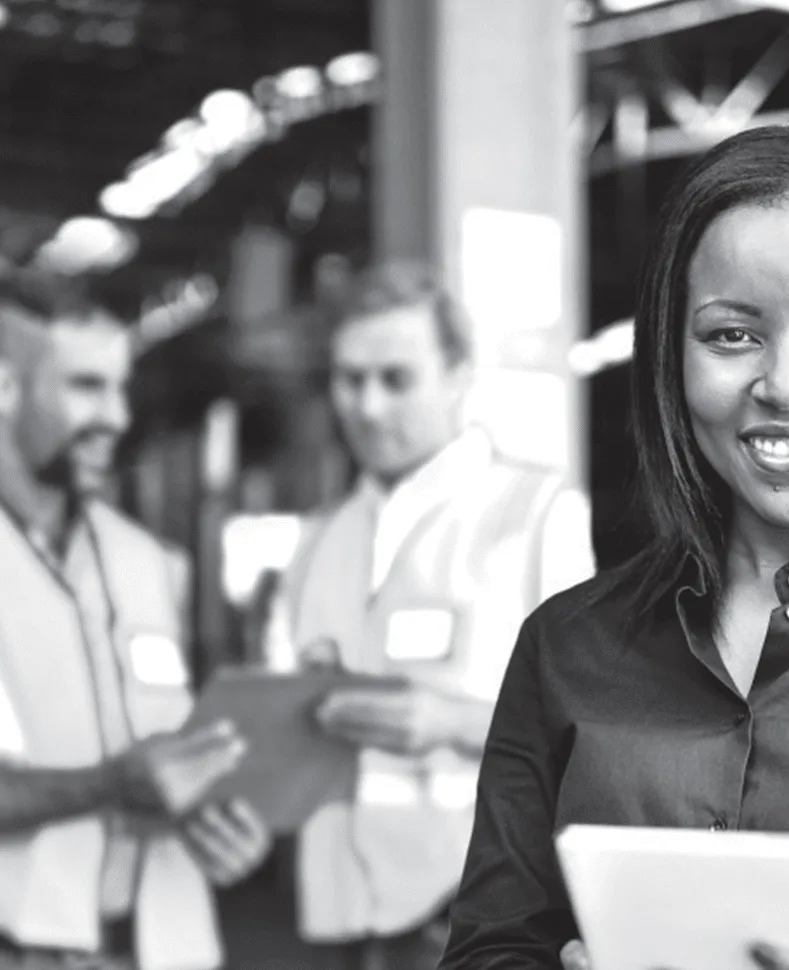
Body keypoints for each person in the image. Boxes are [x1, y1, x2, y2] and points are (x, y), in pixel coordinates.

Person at [438, 123, 789, 970]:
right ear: (671, 353)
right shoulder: (567, 648)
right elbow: (490, 951)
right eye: (732, 335)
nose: (785, 386)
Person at [227, 261, 596, 970]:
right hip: (333, 915)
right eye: (350, 380)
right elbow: (274, 726)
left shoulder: (536, 515)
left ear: (458, 377)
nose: (367, 407)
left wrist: (450, 723)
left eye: (396, 379)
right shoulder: (316, 542)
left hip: (475, 911)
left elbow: (592, 730)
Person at [0, 270, 271, 970]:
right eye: (86, 387)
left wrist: (221, 824)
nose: (118, 417)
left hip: (165, 948)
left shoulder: (144, 561)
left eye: (121, 387)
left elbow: (165, 754)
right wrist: (108, 786)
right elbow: (127, 776)